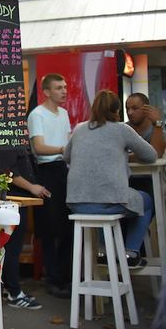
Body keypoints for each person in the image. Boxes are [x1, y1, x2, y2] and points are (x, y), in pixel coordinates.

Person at [65, 90, 157, 269]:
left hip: (76, 203)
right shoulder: (122, 129)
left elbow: (66, 156)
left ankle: (103, 252)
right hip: (107, 202)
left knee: (100, 199)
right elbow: (151, 155)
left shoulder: (79, 128)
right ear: (117, 111)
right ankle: (131, 253)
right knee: (146, 200)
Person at [27, 73, 72, 298]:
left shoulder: (64, 113)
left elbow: (69, 140)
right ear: (46, 92)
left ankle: (65, 277)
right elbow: (39, 147)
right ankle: (52, 280)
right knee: (50, 229)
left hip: (64, 171)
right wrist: (64, 149)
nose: (64, 91)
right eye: (58, 87)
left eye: (64, 87)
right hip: (46, 172)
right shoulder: (37, 114)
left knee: (67, 228)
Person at [0, 149, 51, 310]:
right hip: (15, 199)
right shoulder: (6, 137)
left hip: (19, 198)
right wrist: (32, 187)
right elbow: (8, 171)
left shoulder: (14, 135)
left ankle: (8, 288)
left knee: (11, 247)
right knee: (12, 248)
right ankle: (14, 292)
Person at [126, 93, 165, 196]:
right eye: (127, 108)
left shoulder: (157, 130)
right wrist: (142, 156)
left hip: (151, 180)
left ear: (147, 110)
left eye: (135, 108)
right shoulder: (123, 129)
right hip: (125, 180)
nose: (130, 112)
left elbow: (156, 154)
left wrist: (157, 123)